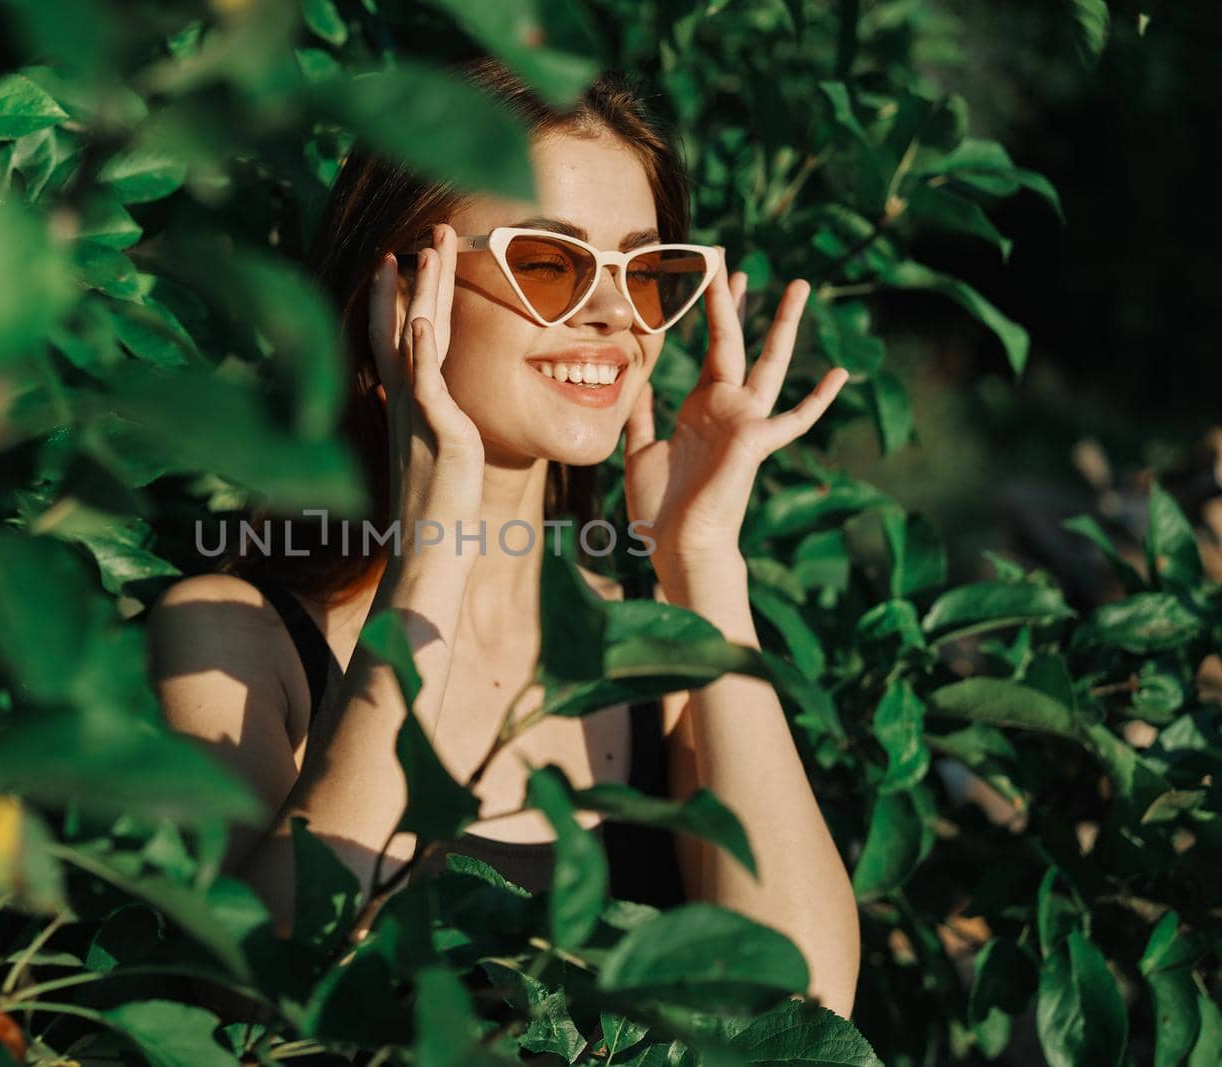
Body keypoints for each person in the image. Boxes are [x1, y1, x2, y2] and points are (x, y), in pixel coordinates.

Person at [145, 55, 861, 1018]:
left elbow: (802, 1013)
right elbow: (267, 992)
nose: (614, 316)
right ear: (396, 292)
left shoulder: (659, 663)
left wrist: (703, 565)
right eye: (548, 262)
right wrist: (433, 542)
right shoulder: (234, 643)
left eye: (644, 273)